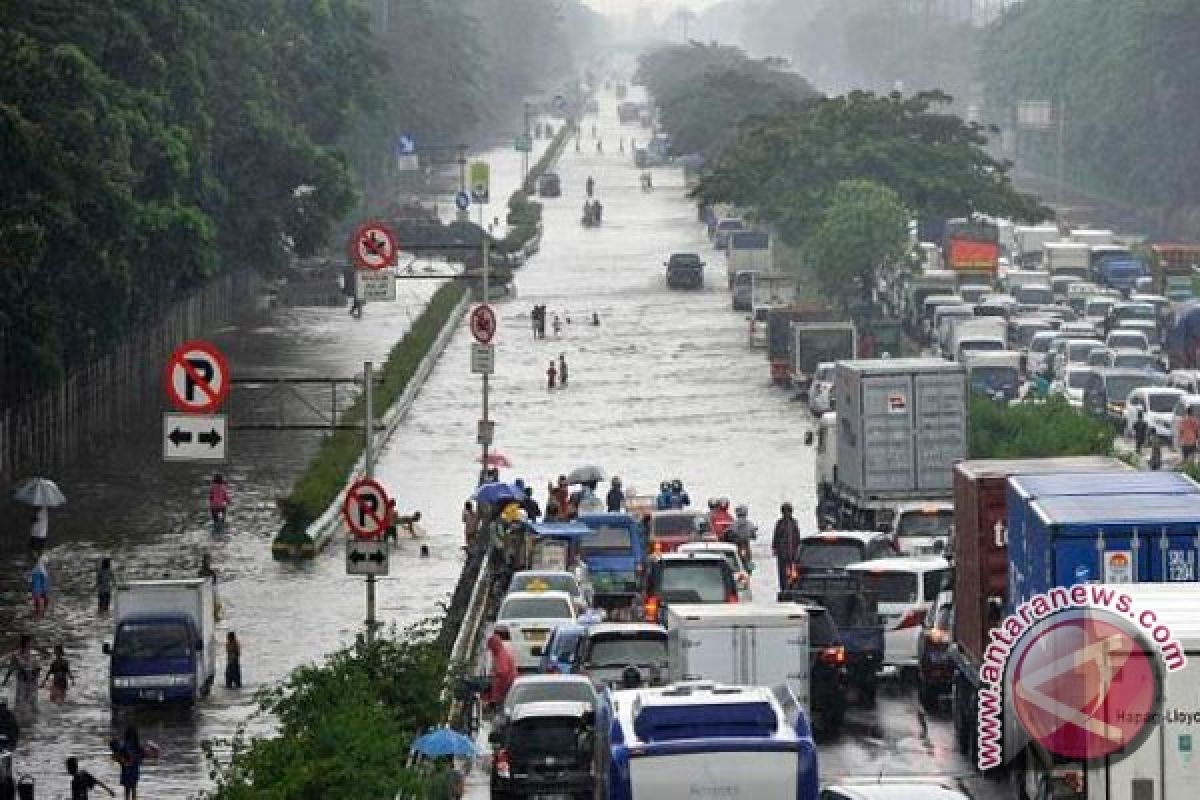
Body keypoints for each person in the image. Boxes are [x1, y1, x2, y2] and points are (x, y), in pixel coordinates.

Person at [2, 635, 40, 722]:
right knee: (20, 703)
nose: (31, 644)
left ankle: (32, 722)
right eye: (30, 642)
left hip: (32, 682)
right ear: (26, 643)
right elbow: (11, 668)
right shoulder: (16, 655)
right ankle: (19, 721)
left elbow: (38, 668)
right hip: (22, 682)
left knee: (33, 703)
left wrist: (35, 673)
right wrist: (5, 680)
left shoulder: (33, 654)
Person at [482, 632, 516, 710]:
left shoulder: (501, 655)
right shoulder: (501, 653)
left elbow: (503, 671)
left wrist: (494, 674)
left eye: (491, 648)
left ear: (494, 646)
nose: (491, 651)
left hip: (507, 683)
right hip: (507, 682)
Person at [772, 503, 801, 592]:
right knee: (782, 572)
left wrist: (798, 549)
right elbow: (776, 537)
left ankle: (791, 586)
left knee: (793, 571)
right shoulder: (780, 523)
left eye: (788, 511)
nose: (787, 513)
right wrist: (775, 548)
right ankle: (784, 588)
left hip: (793, 552)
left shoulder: (794, 522)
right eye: (785, 511)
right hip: (783, 552)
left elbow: (797, 537)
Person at [111, 726, 145, 800]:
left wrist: (121, 761)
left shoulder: (124, 745)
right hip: (135, 771)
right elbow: (142, 756)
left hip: (126, 771)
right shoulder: (137, 746)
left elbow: (116, 757)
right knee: (134, 789)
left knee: (127, 791)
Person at [30, 554, 50, 620]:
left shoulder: (44, 570)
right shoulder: (37, 570)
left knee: (45, 600)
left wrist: (46, 589)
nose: (46, 564)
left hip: (42, 588)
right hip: (37, 589)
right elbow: (34, 581)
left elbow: (45, 580)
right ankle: (37, 615)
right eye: (45, 563)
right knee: (38, 602)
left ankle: (41, 614)